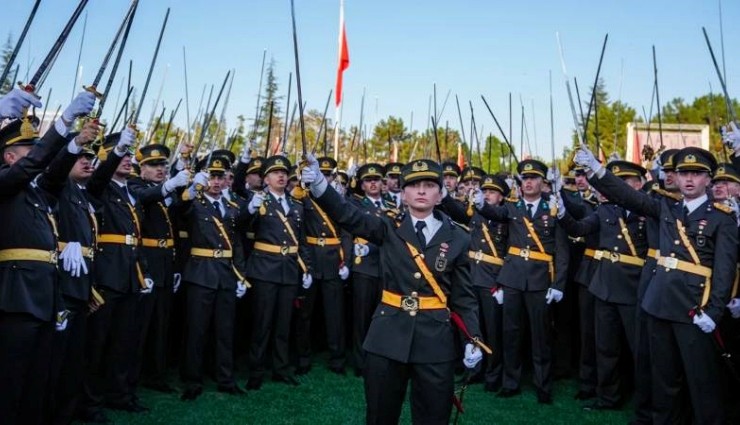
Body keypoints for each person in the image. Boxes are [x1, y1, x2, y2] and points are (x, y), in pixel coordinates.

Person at [302, 156, 484, 425]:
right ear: (404, 194)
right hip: (387, 336)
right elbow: (347, 214)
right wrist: (319, 184)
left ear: (440, 193)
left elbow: (463, 297)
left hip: (435, 340)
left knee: (434, 417)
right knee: (380, 415)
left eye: (429, 185)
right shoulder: (387, 226)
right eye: (414, 185)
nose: (421, 190)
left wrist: (473, 337)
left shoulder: (458, 236)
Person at [577, 145, 738, 424]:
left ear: (708, 180)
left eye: (697, 174)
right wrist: (597, 170)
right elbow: (627, 196)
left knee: (702, 380)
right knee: (662, 379)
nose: (689, 179)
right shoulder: (665, 207)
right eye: (683, 173)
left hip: (694, 309)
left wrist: (714, 311)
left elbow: (723, 271)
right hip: (658, 303)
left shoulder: (721, 218)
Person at [0, 90, 96, 425]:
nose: (38, 157)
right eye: (29, 151)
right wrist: (64, 121)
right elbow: (38, 163)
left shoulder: (37, 193)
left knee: (37, 381)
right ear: (12, 158)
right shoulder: (5, 182)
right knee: (11, 382)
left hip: (44, 294)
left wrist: (72, 142)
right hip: (17, 296)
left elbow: (52, 172)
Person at [473, 159, 569, 404]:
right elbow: (493, 212)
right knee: (511, 334)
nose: (528, 182)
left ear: (542, 182)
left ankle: (543, 385)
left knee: (541, 337)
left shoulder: (553, 208)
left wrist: (558, 285)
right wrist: (480, 203)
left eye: (534, 178)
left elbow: (561, 251)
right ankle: (510, 382)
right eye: (524, 179)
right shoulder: (513, 208)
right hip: (513, 279)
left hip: (539, 281)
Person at [558, 160, 649, 410]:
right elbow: (580, 228)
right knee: (605, 347)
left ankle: (644, 402)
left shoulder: (648, 211)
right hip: (604, 285)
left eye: (624, 183)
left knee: (639, 350)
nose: (617, 188)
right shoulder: (605, 210)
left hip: (634, 287)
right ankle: (608, 397)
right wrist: (563, 214)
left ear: (639, 185)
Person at [79, 128, 153, 419]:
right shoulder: (98, 186)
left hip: (131, 272)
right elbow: (98, 177)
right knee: (99, 343)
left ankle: (120, 393)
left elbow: (136, 235)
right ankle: (91, 401)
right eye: (118, 155)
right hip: (108, 273)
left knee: (125, 341)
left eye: (127, 155)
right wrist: (116, 151)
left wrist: (143, 271)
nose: (126, 160)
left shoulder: (131, 190)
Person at [179, 155, 248, 400]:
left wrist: (241, 275)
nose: (216, 182)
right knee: (197, 331)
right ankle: (192, 381)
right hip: (201, 272)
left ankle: (225, 379)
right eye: (211, 177)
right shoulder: (194, 203)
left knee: (225, 330)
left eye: (220, 177)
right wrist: (191, 186)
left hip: (226, 274)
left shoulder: (231, 208)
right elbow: (178, 208)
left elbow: (236, 243)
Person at [47, 125, 102, 425]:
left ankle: (68, 412)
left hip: (81, 283)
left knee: (75, 357)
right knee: (58, 358)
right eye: (80, 156)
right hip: (61, 284)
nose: (86, 161)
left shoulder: (81, 194)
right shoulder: (57, 186)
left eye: (90, 157)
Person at [245, 155, 311, 390]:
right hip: (264, 268)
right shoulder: (258, 202)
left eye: (284, 173)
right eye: (275, 173)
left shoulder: (296, 205)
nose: (281, 176)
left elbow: (301, 240)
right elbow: (241, 227)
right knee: (262, 323)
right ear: (265, 179)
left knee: (284, 323)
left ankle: (281, 369)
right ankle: (256, 370)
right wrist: (251, 209)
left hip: (289, 269)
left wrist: (307, 267)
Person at [127, 144, 189, 394]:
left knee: (160, 325)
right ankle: (132, 376)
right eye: (154, 165)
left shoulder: (166, 193)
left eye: (163, 165)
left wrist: (187, 188)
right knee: (140, 326)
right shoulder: (135, 186)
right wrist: (170, 185)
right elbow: (146, 197)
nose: (160, 169)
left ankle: (156, 374)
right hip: (146, 263)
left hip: (164, 262)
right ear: (141, 168)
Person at [440, 174, 510, 392]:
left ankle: (493, 374)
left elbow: (511, 252)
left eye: (492, 192)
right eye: (485, 191)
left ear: (501, 197)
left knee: (493, 330)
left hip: (492, 278)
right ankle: (474, 370)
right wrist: (444, 196)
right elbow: (458, 213)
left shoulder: (507, 218)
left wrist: (503, 283)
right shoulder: (476, 213)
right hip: (471, 275)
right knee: (472, 328)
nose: (487, 195)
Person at [295, 156, 351, 375]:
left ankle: (337, 359)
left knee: (335, 313)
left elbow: (346, 232)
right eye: (322, 174)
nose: (325, 177)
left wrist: (345, 260)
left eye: (328, 175)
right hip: (310, 257)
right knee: (305, 313)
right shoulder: (303, 196)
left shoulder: (336, 199)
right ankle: (303, 357)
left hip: (333, 260)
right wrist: (304, 263)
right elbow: (297, 231)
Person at [347, 163, 396, 377]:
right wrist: (348, 261)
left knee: (383, 317)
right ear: (362, 185)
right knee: (361, 317)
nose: (373, 183)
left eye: (377, 179)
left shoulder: (391, 203)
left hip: (385, 266)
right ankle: (360, 361)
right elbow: (347, 232)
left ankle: (379, 358)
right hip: (364, 266)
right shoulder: (356, 204)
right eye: (368, 180)